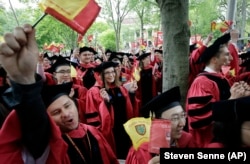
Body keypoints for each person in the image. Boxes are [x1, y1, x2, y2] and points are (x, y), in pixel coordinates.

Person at [0, 24, 118, 164]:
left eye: (68, 105)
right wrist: (25, 82)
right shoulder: (51, 146)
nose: (66, 114)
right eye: (56, 112)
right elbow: (34, 130)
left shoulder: (92, 132)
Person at [186, 32, 250, 148]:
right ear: (214, 60)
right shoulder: (201, 83)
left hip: (226, 137)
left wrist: (242, 92)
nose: (230, 58)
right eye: (226, 55)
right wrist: (232, 100)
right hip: (209, 142)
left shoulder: (220, 78)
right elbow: (198, 118)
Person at [126, 86, 197, 164]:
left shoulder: (187, 141)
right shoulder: (140, 151)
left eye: (183, 115)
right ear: (157, 122)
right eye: (175, 118)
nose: (182, 124)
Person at [86, 61, 139, 160]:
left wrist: (131, 93)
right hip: (110, 131)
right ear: (100, 75)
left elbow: (128, 108)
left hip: (124, 128)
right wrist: (106, 102)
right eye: (107, 73)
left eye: (113, 72)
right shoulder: (94, 91)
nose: (111, 75)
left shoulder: (120, 88)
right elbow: (93, 117)